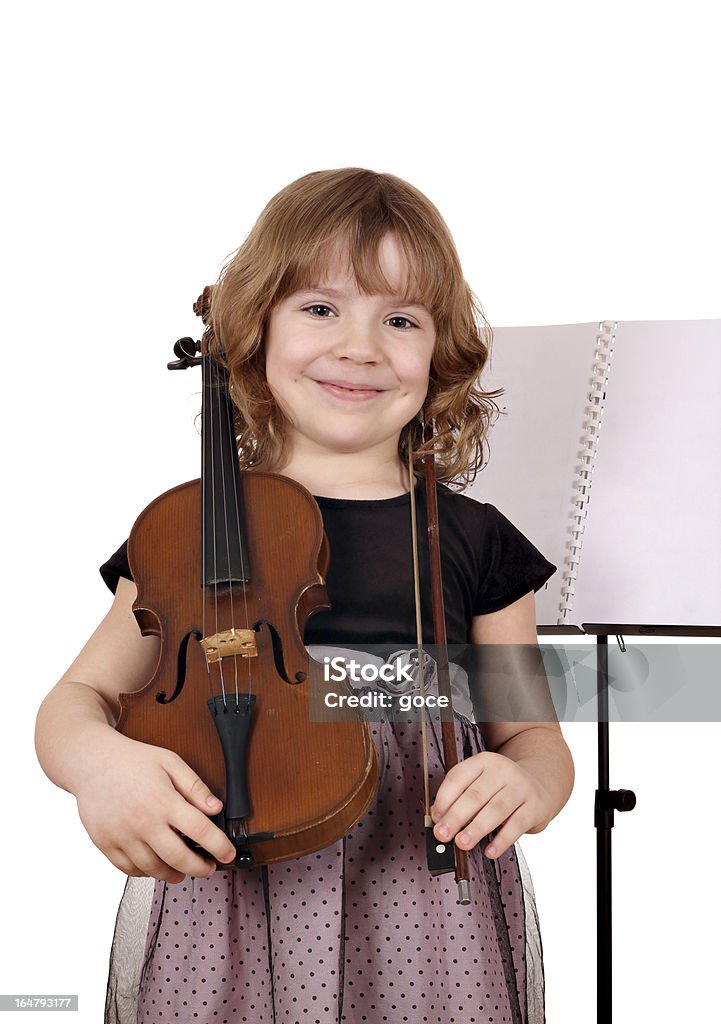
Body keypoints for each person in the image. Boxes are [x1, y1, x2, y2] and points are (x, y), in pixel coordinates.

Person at [35, 167, 574, 1024]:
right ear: (254, 330)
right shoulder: (185, 534)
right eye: (320, 309)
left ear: (438, 357)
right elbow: (77, 699)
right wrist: (100, 765)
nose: (359, 347)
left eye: (399, 319)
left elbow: (534, 736)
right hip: (232, 889)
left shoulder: (473, 537)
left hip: (425, 902)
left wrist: (526, 784)